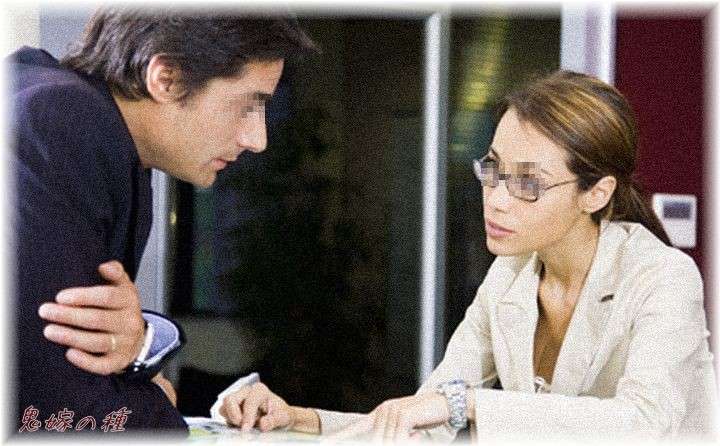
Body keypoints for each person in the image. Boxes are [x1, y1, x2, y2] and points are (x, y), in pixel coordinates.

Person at [214, 71, 718, 442]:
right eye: (493, 170)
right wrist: (300, 420)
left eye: (528, 183)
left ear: (596, 193)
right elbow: (425, 420)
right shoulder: (512, 274)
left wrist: (468, 405)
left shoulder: (663, 277)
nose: (496, 199)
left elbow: (645, 423)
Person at [11, 6, 316, 434]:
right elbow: (63, 411)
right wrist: (157, 404)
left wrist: (138, 347)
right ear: (167, 78)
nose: (258, 139)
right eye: (248, 105)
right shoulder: (58, 122)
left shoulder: (90, 128)